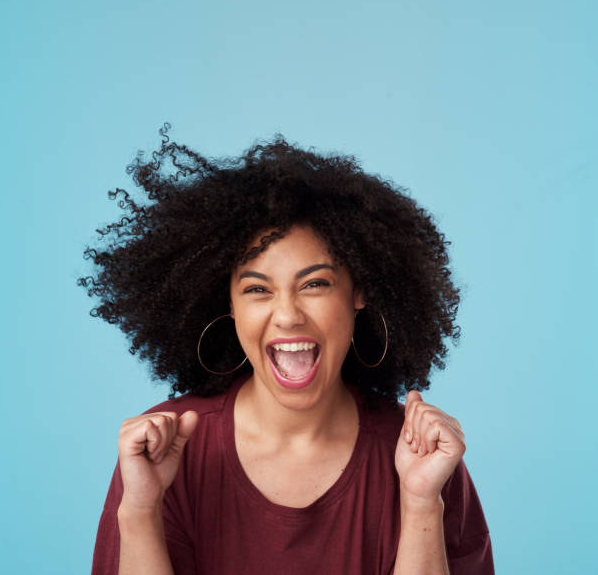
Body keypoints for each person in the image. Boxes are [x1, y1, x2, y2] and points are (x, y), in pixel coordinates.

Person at [80, 125, 494, 574]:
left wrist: (420, 503)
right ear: (229, 306)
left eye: (315, 283)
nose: (287, 314)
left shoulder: (420, 454)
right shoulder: (166, 451)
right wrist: (140, 510)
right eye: (258, 289)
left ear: (361, 293)